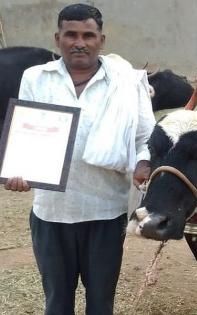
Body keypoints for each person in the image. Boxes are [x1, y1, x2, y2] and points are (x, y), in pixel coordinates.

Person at [4, 3, 155, 314]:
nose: (79, 42)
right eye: (71, 34)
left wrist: (142, 164)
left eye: (88, 35)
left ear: (102, 39)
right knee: (57, 303)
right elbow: (27, 135)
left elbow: (145, 139)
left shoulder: (126, 82)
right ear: (57, 38)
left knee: (100, 304)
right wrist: (18, 172)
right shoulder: (36, 78)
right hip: (51, 213)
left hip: (105, 211)